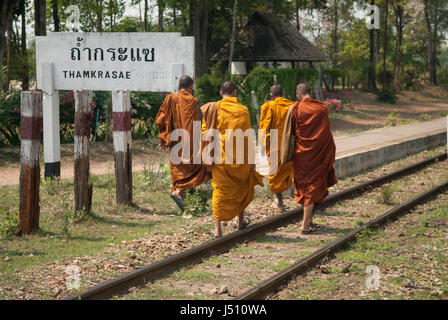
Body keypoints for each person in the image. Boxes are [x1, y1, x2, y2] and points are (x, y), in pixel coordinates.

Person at [201, 81, 264, 238]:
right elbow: (248, 137)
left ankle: (217, 230)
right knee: (241, 188)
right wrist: (252, 162)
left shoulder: (214, 109)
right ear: (235, 93)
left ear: (221, 94)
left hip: (220, 159)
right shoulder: (243, 111)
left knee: (220, 191)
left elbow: (205, 131)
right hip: (240, 160)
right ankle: (240, 221)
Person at [156, 75, 210, 212]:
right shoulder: (192, 101)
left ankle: (182, 199)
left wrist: (164, 137)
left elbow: (161, 119)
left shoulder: (171, 98)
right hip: (190, 142)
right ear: (191, 87)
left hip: (175, 141)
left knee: (179, 169)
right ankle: (179, 192)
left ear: (179, 86)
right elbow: (195, 124)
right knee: (197, 168)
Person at [290, 83, 337, 234]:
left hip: (301, 154)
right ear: (310, 93)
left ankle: (306, 222)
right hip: (317, 154)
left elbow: (290, 132)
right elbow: (326, 133)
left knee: (305, 186)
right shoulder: (322, 108)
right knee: (313, 185)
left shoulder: (296, 108)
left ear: (299, 95)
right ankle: (306, 222)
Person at [259, 85, 294, 212]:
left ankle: (280, 203)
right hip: (290, 144)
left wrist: (262, 144)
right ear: (283, 93)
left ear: (271, 95)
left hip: (274, 144)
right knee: (290, 169)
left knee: (275, 172)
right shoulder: (292, 105)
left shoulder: (268, 107)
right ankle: (299, 197)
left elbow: (264, 127)